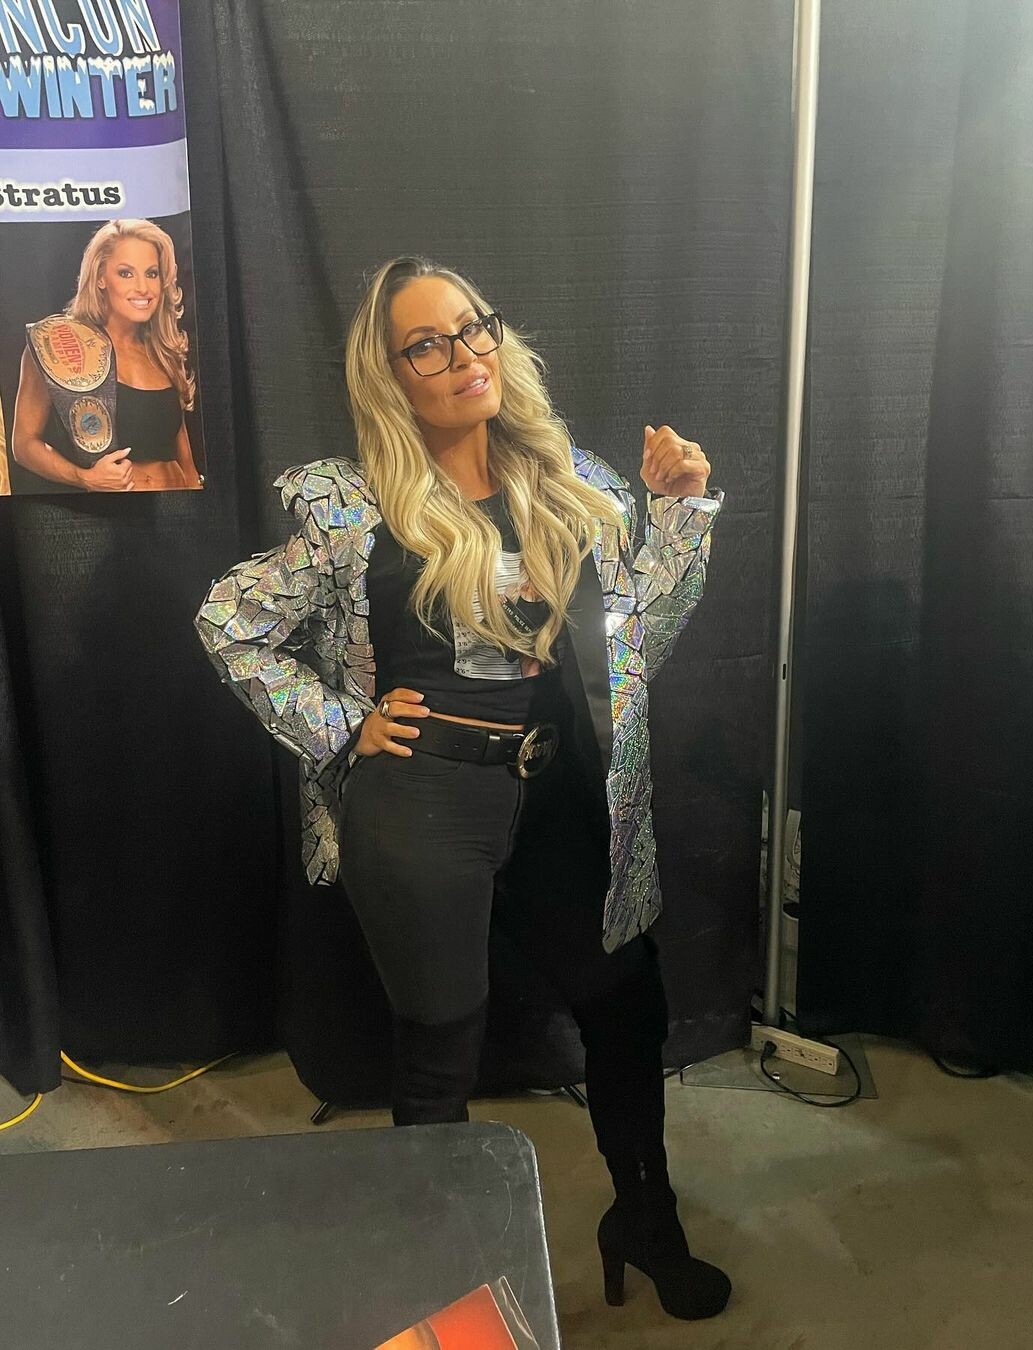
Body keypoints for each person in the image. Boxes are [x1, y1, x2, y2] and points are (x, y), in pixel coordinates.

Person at [194, 256, 730, 1321]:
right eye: (427, 344)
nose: (463, 354)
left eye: (473, 327)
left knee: (627, 1003)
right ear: (390, 375)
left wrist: (678, 512)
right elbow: (229, 620)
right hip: (421, 802)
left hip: (558, 788)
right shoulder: (352, 506)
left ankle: (646, 1218)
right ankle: (442, 1288)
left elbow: (638, 642)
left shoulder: (568, 480)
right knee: (442, 1045)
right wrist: (339, 725)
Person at [11, 218, 201, 492]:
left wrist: (199, 500)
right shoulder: (59, 347)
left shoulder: (164, 350)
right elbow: (23, 444)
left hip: (177, 504)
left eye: (152, 273)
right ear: (100, 277)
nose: (143, 288)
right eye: (126, 273)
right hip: (112, 510)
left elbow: (185, 456)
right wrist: (83, 477)